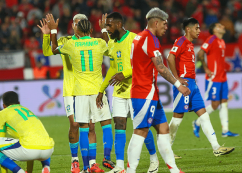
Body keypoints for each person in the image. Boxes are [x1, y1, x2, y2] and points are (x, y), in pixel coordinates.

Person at [127, 7, 190, 173]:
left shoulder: (138, 38)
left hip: (149, 93)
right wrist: (178, 85)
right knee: (140, 131)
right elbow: (161, 68)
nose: (166, 27)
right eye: (164, 23)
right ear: (156, 22)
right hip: (143, 93)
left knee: (163, 129)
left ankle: (174, 169)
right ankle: (130, 170)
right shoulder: (150, 38)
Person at [47, 14, 113, 173]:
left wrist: (53, 30)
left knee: (83, 128)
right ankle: (105, 158)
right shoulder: (98, 42)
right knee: (105, 124)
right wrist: (104, 28)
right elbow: (108, 45)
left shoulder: (71, 44)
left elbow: (54, 49)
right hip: (98, 91)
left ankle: (85, 166)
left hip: (80, 92)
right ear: (91, 29)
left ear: (77, 28)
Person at [96, 12, 159, 173]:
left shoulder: (134, 39)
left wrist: (124, 74)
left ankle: (154, 159)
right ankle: (120, 165)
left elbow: (143, 65)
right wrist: (101, 90)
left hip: (136, 91)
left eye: (109, 26)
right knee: (119, 125)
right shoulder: (113, 43)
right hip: (119, 92)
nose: (106, 29)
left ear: (118, 24)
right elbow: (113, 69)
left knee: (141, 126)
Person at [167, 18, 235, 157]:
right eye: (197, 28)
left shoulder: (191, 45)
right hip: (184, 85)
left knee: (204, 117)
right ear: (188, 29)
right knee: (177, 119)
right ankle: (166, 150)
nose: (199, 31)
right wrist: (177, 79)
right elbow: (170, 57)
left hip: (193, 85)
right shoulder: (181, 41)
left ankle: (216, 147)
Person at [38, 14, 88, 173]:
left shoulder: (92, 41)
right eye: (76, 23)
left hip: (88, 89)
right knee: (74, 124)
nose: (78, 25)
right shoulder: (66, 41)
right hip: (70, 90)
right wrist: (47, 36)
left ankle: (89, 163)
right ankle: (75, 160)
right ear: (72, 25)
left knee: (88, 127)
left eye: (81, 23)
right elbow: (48, 52)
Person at [0, 91, 54, 173]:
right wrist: (29, 171)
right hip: (48, 151)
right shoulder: (27, 110)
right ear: (19, 103)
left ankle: (19, 171)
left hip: (29, 150)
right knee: (36, 140)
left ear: (4, 106)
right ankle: (46, 167)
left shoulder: (2, 114)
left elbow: (0, 144)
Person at [192, 22, 239, 138]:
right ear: (214, 30)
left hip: (223, 77)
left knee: (224, 103)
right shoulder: (211, 39)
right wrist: (206, 68)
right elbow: (200, 52)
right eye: (219, 26)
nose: (223, 26)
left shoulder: (222, 41)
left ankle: (225, 131)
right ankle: (197, 122)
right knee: (214, 105)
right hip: (214, 77)